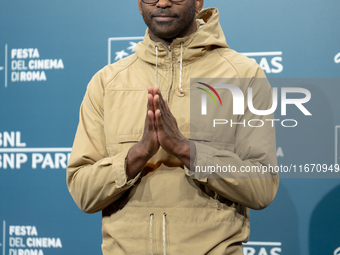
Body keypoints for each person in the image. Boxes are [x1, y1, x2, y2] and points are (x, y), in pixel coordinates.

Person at [67, 0, 279, 254]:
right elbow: (83, 192)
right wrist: (139, 153)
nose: (163, 2)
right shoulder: (106, 82)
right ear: (139, 4)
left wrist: (186, 149)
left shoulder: (243, 76)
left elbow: (262, 187)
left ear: (198, 1)